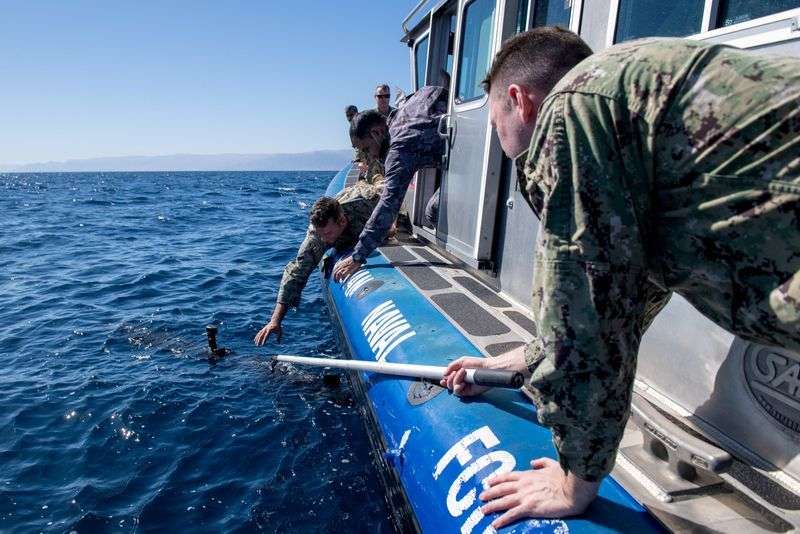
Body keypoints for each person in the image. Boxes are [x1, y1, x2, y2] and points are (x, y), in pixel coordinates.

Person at [441, 27, 800, 527]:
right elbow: (631, 298)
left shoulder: (570, 111)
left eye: (496, 120)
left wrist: (575, 480)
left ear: (519, 101)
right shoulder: (638, 97)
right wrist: (513, 363)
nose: (502, 143)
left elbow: (588, 312)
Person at [332, 86, 448, 282]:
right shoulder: (401, 114)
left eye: (367, 149)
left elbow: (388, 205)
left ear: (377, 133)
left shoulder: (398, 151)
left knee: (431, 213)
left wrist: (358, 256)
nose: (371, 156)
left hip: (470, 161)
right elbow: (432, 90)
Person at [254, 182, 381, 345]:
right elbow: (296, 272)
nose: (324, 240)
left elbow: (389, 208)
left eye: (327, 233)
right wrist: (275, 320)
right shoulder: (318, 235)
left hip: (364, 193)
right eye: (320, 234)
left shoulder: (366, 206)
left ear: (341, 222)